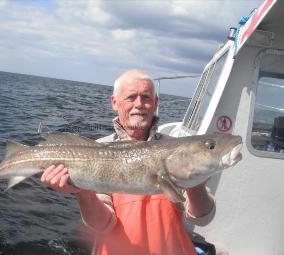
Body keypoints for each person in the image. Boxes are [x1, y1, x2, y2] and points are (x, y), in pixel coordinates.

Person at [41, 69, 215, 255]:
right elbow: (103, 225)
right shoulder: (97, 150)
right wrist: (82, 191)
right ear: (115, 103)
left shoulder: (178, 149)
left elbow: (202, 218)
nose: (139, 104)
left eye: (146, 97)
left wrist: (195, 184)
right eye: (131, 97)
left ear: (155, 103)